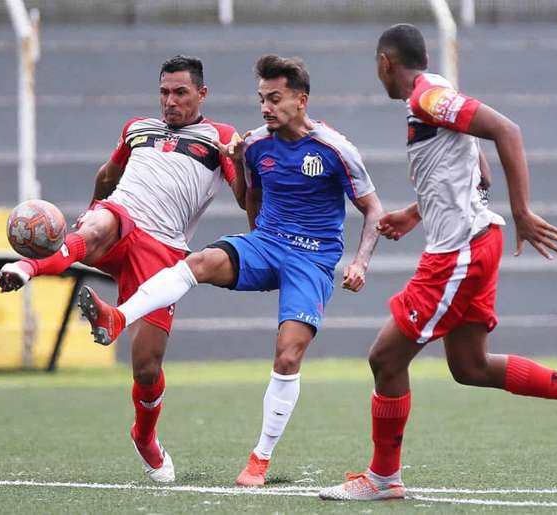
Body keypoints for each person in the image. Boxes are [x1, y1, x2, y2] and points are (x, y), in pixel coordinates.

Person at [319, 24, 557, 501]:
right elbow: (475, 169)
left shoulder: (425, 98)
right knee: (470, 366)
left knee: (384, 357)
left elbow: (506, 129)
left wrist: (523, 211)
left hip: (457, 253)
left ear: (385, 62)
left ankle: (382, 479)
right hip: (471, 244)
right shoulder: (437, 92)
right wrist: (416, 212)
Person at [77, 54, 385, 486]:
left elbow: (372, 210)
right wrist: (244, 183)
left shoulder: (336, 148)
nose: (265, 108)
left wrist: (360, 261)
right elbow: (250, 200)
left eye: (274, 99)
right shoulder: (257, 144)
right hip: (268, 244)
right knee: (196, 263)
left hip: (312, 259)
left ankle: (260, 458)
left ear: (301, 100)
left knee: (288, 354)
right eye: (261, 99)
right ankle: (119, 315)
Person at [0, 55, 245, 483]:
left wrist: (242, 160)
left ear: (202, 94)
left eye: (180, 92)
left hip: (163, 251)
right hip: (120, 221)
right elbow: (109, 172)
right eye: (164, 92)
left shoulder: (220, 137)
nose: (170, 101)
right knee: (100, 223)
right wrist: (94, 210)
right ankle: (26, 267)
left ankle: (144, 435)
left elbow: (243, 197)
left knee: (146, 369)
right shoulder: (137, 129)